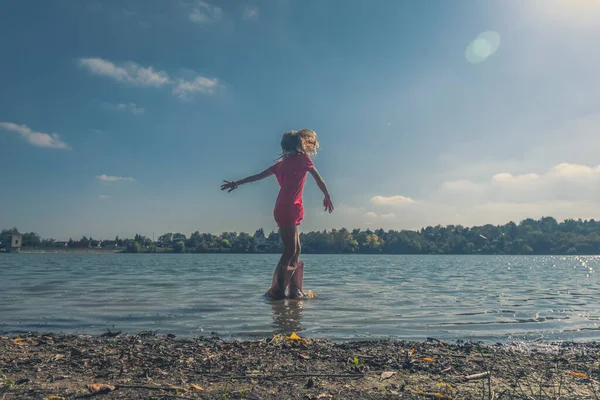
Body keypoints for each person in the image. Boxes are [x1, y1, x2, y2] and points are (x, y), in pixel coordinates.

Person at [221, 129, 334, 300]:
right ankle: (277, 290)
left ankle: (295, 291)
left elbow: (258, 176)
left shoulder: (281, 164)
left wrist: (238, 183)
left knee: (296, 249)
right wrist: (327, 195)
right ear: (299, 144)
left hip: (288, 207)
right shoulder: (303, 159)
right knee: (291, 249)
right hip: (287, 207)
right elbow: (319, 179)